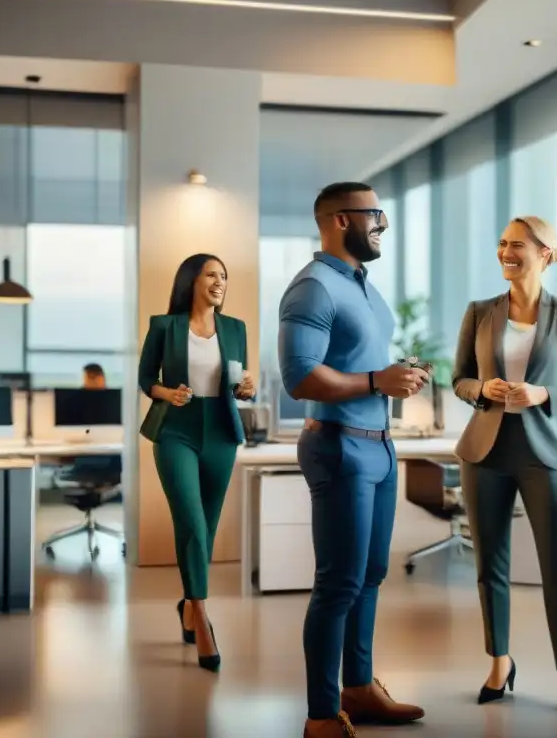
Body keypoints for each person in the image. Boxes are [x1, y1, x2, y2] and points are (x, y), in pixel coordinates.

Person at [279, 182, 429, 738]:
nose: (382, 225)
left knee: (370, 576)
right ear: (341, 220)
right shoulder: (313, 288)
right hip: (339, 445)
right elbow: (298, 376)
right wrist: (374, 380)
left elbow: (364, 360)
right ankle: (321, 715)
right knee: (338, 583)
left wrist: (397, 377)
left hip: (379, 445)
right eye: (375, 216)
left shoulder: (361, 284)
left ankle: (360, 689)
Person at [452, 216, 557, 720]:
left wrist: (543, 393)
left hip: (546, 452)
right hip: (485, 452)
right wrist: (482, 390)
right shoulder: (479, 312)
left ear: (545, 252)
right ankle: (499, 662)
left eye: (516, 245)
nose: (505, 252)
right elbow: (459, 378)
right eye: (501, 244)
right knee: (488, 564)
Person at [138, 253, 256, 673]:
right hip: (175, 431)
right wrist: (166, 394)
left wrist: (246, 388)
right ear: (191, 280)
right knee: (190, 521)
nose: (219, 281)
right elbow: (143, 379)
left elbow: (239, 384)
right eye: (211, 274)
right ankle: (202, 616)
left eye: (224, 275)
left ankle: (188, 603)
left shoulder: (235, 328)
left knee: (206, 527)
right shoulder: (164, 326)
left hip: (221, 432)